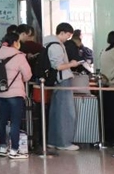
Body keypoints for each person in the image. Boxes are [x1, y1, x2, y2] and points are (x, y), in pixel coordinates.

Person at [44, 23, 81, 151]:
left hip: (58, 81)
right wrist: (72, 64)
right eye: (68, 35)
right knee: (66, 112)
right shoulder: (56, 46)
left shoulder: (52, 44)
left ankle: (54, 140)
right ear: (62, 32)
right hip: (62, 80)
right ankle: (64, 142)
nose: (68, 38)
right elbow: (58, 66)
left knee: (57, 111)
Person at [0, 33, 32, 159]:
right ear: (16, 42)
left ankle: (3, 147)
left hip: (1, 92)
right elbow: (28, 75)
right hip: (15, 94)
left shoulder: (0, 53)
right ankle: (14, 150)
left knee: (2, 120)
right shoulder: (19, 56)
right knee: (15, 122)